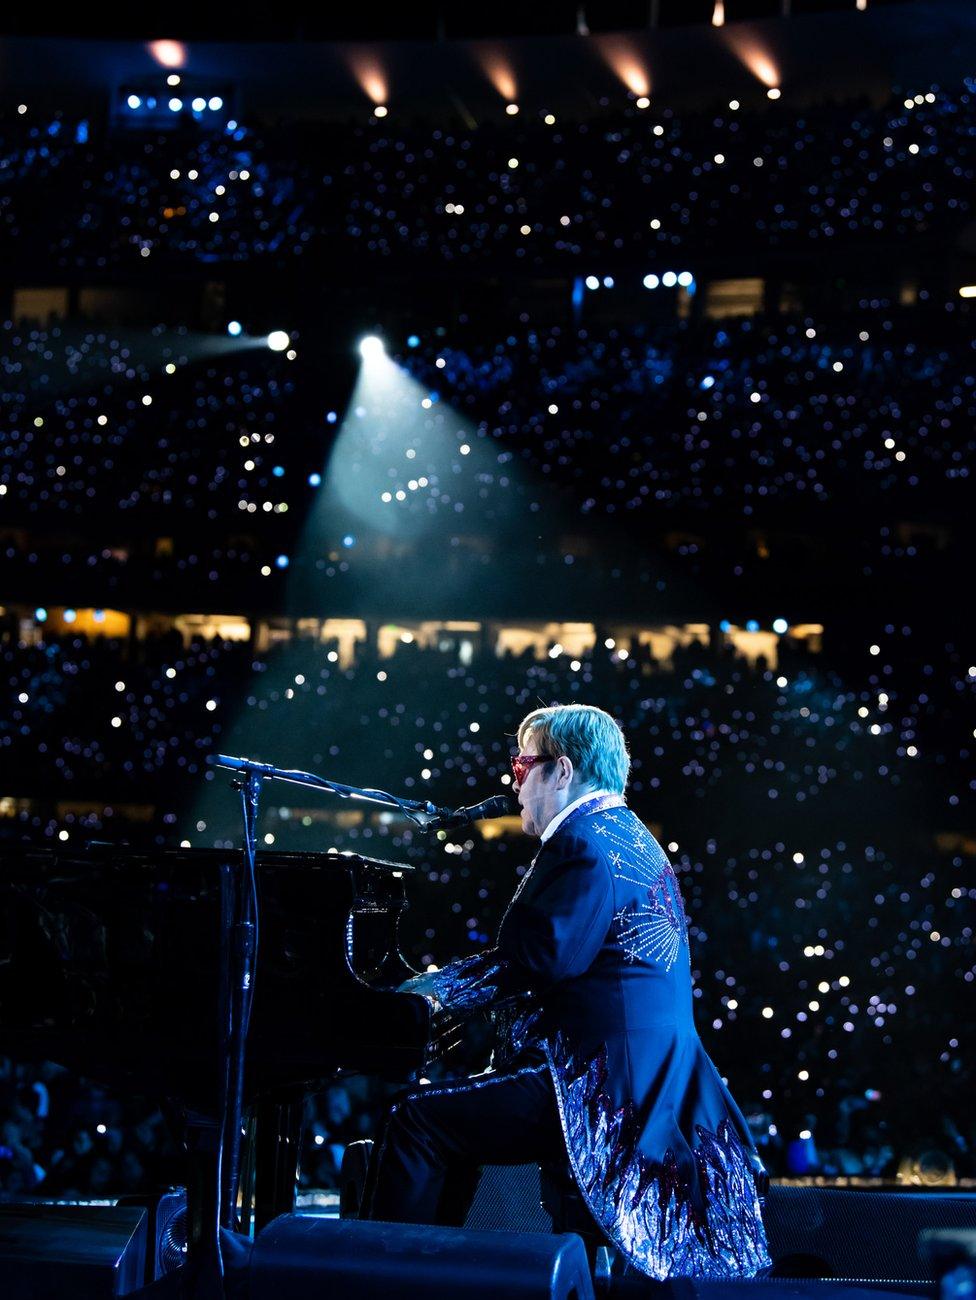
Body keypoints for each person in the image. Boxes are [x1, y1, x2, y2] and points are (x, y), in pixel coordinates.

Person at [361, 703, 770, 1280]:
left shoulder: (580, 842)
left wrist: (427, 990)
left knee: (416, 1120)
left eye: (523, 764)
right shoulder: (626, 834)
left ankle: (385, 1280)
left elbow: (541, 959)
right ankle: (430, 1274)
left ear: (563, 770)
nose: (514, 781)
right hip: (644, 1077)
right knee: (449, 1121)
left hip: (601, 1084)